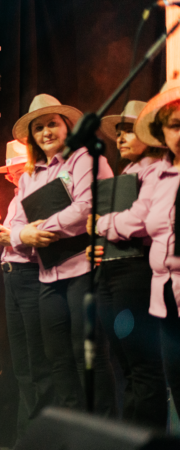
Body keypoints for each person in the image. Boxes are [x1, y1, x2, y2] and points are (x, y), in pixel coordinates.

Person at [8, 94, 116, 417]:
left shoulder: (82, 158)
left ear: (66, 125)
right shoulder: (28, 176)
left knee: (89, 357)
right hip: (47, 277)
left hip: (83, 270)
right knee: (58, 361)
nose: (45, 132)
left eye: (52, 124)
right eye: (38, 128)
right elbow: (15, 225)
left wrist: (42, 228)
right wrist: (24, 235)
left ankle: (103, 434)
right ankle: (73, 433)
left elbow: (86, 206)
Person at [85, 100, 168, 428]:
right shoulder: (126, 174)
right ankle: (130, 435)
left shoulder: (158, 170)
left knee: (142, 363)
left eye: (128, 130)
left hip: (136, 271)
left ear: (149, 134)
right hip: (111, 271)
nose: (120, 138)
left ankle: (150, 438)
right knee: (123, 361)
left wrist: (101, 224)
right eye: (117, 133)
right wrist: (98, 247)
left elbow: (141, 220)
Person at [0, 141, 54, 444]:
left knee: (38, 362)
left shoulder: (40, 192)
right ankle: (28, 436)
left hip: (31, 274)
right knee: (22, 364)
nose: (14, 175)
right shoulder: (14, 199)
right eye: (11, 171)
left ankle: (39, 436)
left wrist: (9, 236)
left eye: (18, 168)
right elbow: (12, 237)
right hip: (11, 276)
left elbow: (41, 233)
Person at [129, 79, 180, 416]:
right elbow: (139, 220)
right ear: (162, 134)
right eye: (175, 125)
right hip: (165, 299)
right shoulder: (159, 177)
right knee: (176, 385)